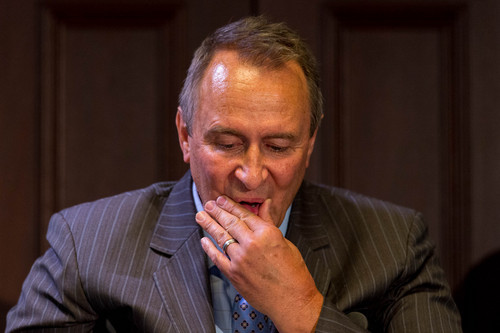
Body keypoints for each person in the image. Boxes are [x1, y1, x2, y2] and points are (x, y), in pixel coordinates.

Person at [7, 16, 462, 332]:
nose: (251, 174)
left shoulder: (396, 244)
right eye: (226, 144)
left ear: (310, 144)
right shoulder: (87, 243)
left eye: (279, 146)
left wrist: (302, 310)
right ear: (185, 136)